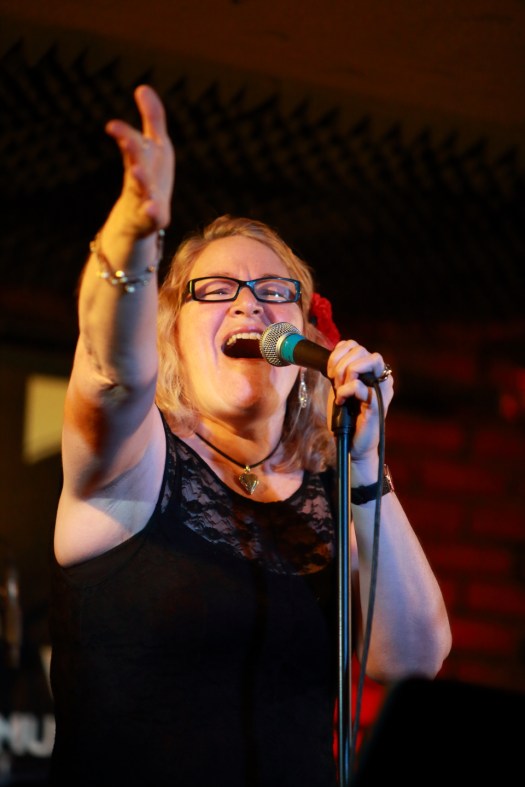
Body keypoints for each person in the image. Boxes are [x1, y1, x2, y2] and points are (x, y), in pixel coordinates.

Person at [48, 85, 452, 787]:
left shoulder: (332, 491)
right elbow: (111, 371)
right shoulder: (138, 460)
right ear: (172, 333)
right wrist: (134, 234)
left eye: (274, 290)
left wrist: (365, 467)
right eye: (215, 290)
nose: (249, 304)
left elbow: (413, 659)